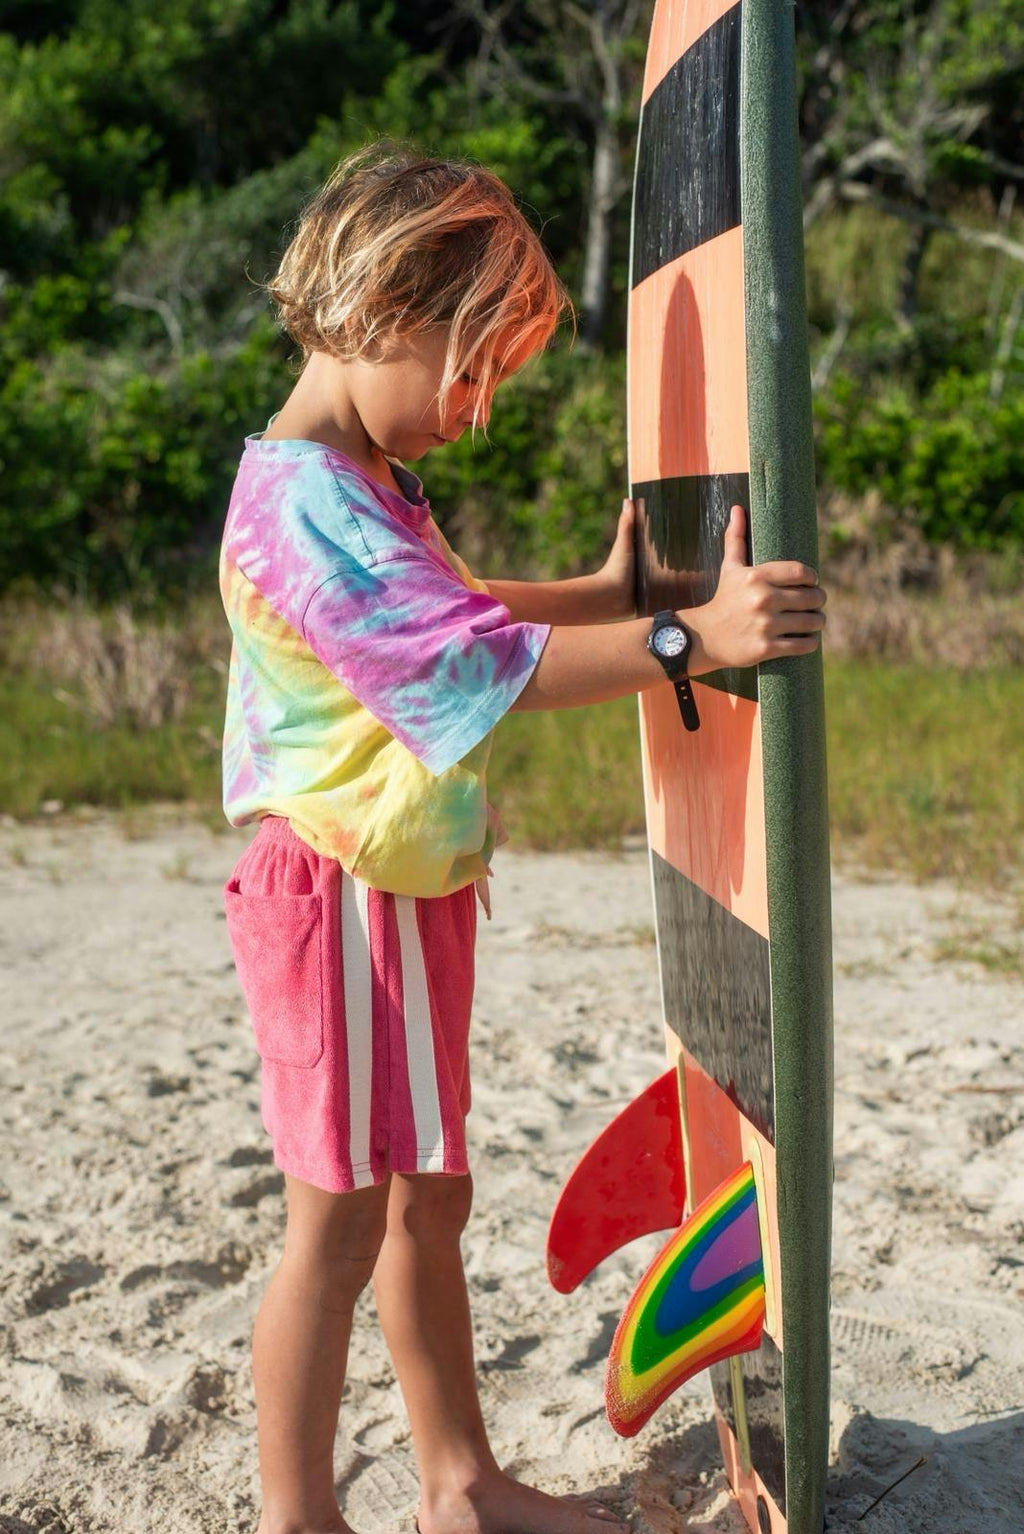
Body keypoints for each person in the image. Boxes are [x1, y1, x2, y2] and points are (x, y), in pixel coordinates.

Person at [218, 140, 826, 1534]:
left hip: (402, 891)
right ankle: (293, 1517)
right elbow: (471, 666)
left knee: (430, 1200)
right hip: (337, 895)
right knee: (334, 1227)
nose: (477, 413)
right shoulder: (305, 501)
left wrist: (604, 589)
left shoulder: (361, 486)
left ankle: (459, 1484)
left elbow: (465, 605)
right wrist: (684, 637)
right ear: (383, 313)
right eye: (468, 371)